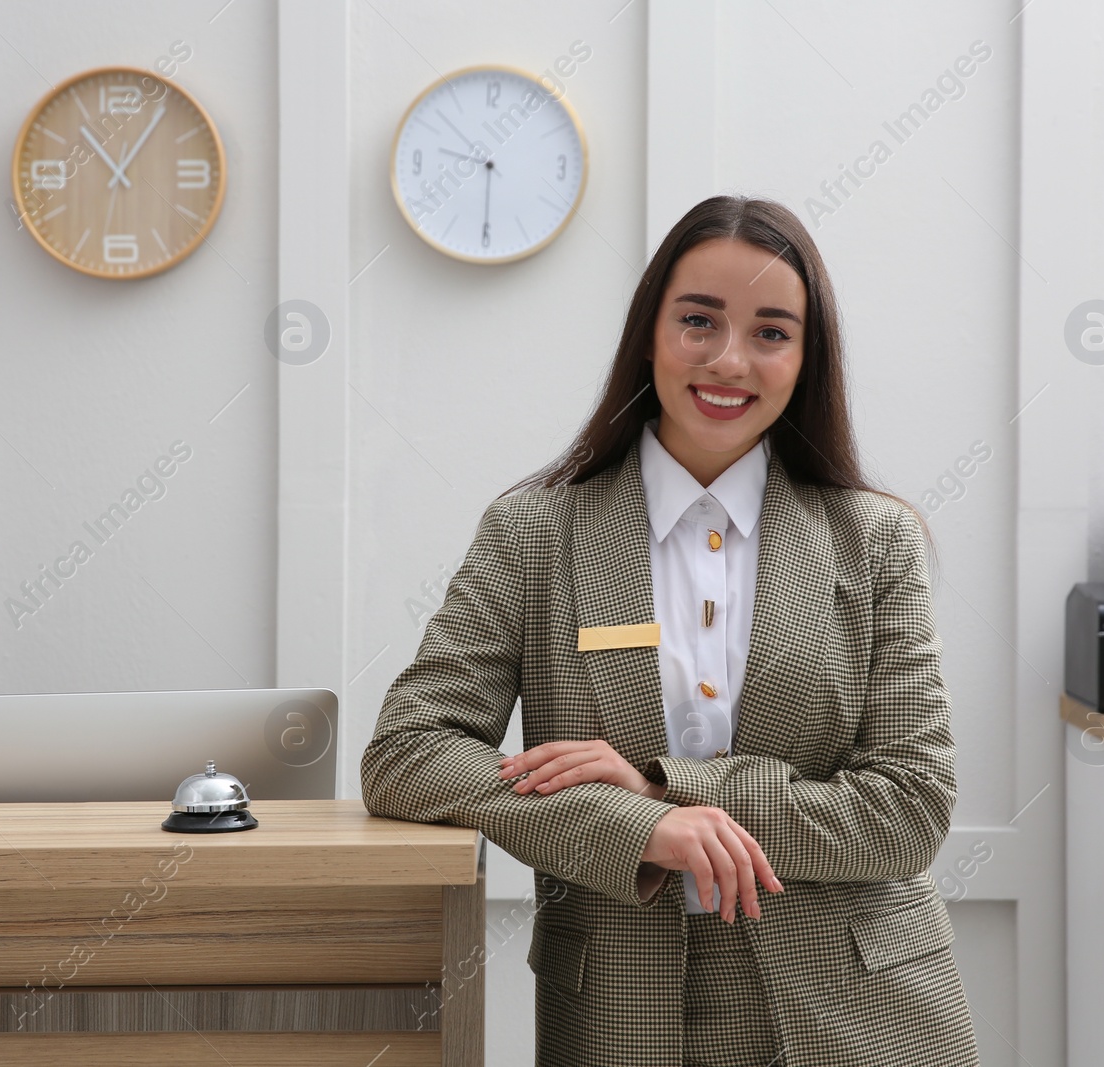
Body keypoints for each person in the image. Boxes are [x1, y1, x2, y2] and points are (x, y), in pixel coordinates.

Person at [360, 195, 979, 1066]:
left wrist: (669, 791)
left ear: (806, 358)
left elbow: (910, 810)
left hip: (860, 1012)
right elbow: (408, 754)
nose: (730, 359)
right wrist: (635, 828)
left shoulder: (873, 540)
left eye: (772, 332)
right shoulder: (535, 531)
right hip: (621, 1008)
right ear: (650, 332)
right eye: (698, 321)